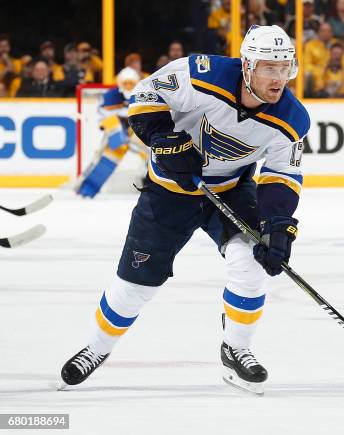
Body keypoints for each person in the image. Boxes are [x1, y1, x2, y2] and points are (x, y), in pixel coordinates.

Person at [60, 25, 310, 396]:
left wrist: (277, 225)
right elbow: (144, 96)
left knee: (251, 261)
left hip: (230, 191)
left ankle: (236, 347)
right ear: (246, 66)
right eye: (269, 68)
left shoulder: (292, 119)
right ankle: (96, 348)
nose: (278, 78)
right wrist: (163, 140)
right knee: (134, 285)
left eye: (284, 67)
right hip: (167, 191)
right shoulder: (200, 73)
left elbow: (282, 174)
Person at [75, 67, 146, 198]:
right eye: (126, 83)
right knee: (108, 159)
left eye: (131, 83)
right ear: (120, 83)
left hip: (137, 131)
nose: (129, 86)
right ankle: (87, 189)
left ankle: (153, 184)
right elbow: (103, 117)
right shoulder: (111, 96)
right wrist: (116, 129)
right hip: (118, 132)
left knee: (154, 155)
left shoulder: (144, 95)